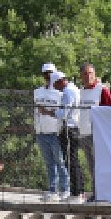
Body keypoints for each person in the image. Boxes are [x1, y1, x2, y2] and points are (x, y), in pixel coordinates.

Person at [77, 63, 111, 200]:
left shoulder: (102, 90)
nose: (88, 76)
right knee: (91, 166)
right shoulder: (80, 92)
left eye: (91, 73)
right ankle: (96, 193)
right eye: (85, 74)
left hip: (97, 134)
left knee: (100, 166)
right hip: (83, 133)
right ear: (81, 76)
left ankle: (103, 194)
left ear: (95, 74)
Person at [34, 68, 68, 202]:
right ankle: (53, 190)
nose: (48, 76)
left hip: (55, 132)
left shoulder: (60, 93)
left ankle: (65, 189)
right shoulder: (37, 92)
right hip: (41, 131)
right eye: (46, 74)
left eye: (50, 73)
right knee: (49, 163)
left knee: (60, 162)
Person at [54, 71, 84, 202]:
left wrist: (52, 111)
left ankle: (76, 193)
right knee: (73, 160)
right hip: (75, 127)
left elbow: (63, 113)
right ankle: (79, 191)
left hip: (68, 129)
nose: (55, 88)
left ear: (60, 81)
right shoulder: (75, 89)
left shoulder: (67, 92)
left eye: (55, 85)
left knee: (70, 162)